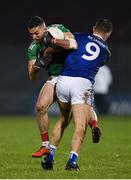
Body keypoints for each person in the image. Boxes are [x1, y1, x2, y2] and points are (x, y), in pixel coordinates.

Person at [41, 19, 113, 171]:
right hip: (82, 83)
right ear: (108, 34)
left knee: (63, 119)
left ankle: (50, 157)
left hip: (63, 80)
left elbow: (67, 44)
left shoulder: (78, 36)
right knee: (80, 126)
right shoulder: (106, 51)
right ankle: (72, 162)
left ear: (94, 28)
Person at [27, 16, 100, 158]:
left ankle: (94, 124)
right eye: (31, 34)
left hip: (71, 75)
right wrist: (39, 64)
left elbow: (73, 44)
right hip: (54, 77)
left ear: (44, 28)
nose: (34, 37)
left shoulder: (58, 29)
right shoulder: (33, 47)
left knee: (71, 113)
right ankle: (45, 145)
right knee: (40, 106)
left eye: (36, 33)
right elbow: (32, 76)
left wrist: (53, 44)